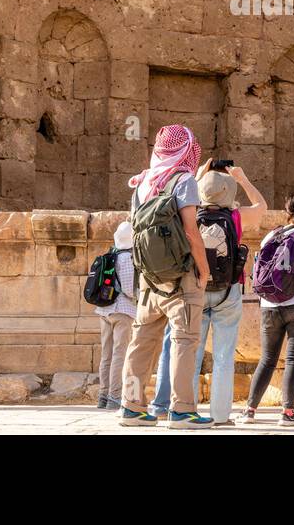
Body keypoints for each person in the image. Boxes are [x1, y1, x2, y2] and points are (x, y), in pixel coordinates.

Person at [118, 124, 212, 428]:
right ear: (187, 149)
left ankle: (131, 406)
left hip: (149, 277)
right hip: (181, 274)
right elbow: (190, 230)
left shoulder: (143, 182)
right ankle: (182, 410)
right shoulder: (184, 180)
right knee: (184, 340)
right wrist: (204, 269)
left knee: (141, 341)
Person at [238, 193, 294, 427]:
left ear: (287, 213)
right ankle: (287, 413)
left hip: (269, 305)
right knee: (293, 359)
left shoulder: (270, 236)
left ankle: (249, 410)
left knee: (267, 359)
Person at [191, 161, 267, 425]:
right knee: (224, 356)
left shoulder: (191, 213)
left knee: (192, 352)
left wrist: (199, 176)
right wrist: (242, 178)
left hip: (197, 289)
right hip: (228, 290)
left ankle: (186, 410)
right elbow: (262, 208)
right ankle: (221, 415)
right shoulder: (235, 217)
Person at [96, 220, 136, 409]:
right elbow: (128, 288)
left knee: (106, 355)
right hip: (123, 311)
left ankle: (102, 396)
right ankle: (114, 397)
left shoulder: (111, 255)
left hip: (104, 311)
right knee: (120, 354)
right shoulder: (127, 259)